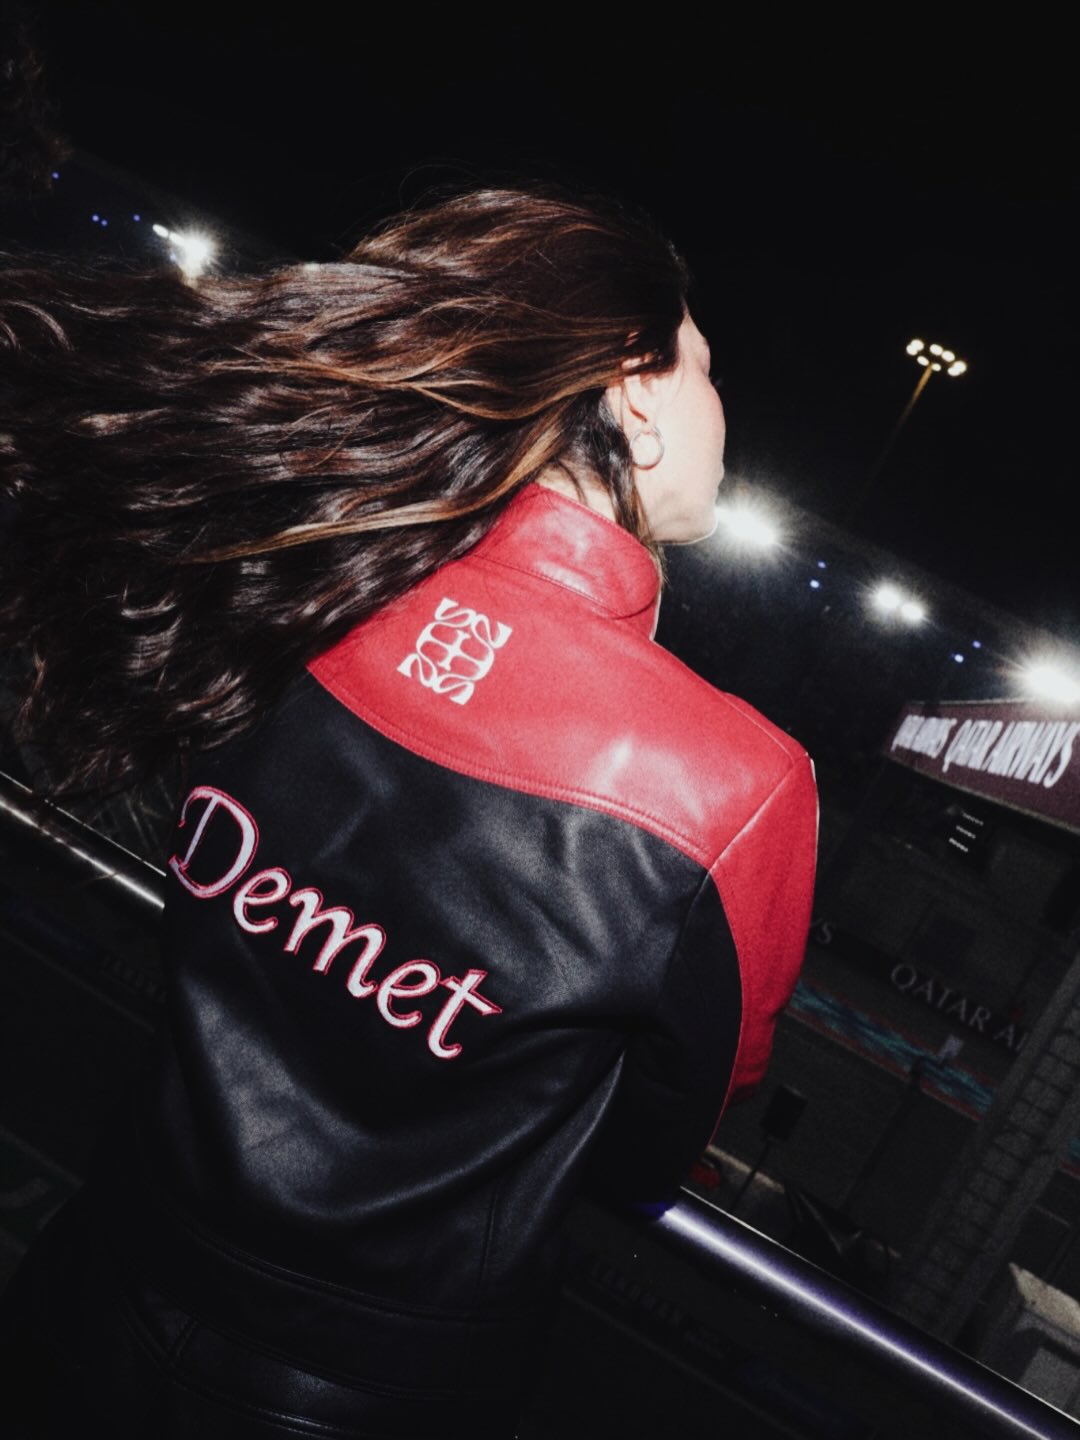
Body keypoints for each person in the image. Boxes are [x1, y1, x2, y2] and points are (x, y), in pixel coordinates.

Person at [0, 185, 817, 1437]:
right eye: (705, 368)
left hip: (91, 1279)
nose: (724, 411)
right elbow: (649, 1153)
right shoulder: (739, 786)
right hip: (370, 1397)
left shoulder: (317, 576)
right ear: (637, 394)